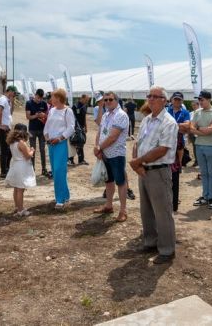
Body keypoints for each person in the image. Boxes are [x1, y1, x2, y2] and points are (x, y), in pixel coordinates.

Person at [129, 86, 178, 264]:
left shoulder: (169, 122)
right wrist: (136, 161)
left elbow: (162, 149)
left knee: (162, 212)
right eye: (149, 96)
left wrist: (138, 161)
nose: (150, 99)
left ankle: (167, 249)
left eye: (155, 96)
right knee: (146, 209)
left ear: (164, 100)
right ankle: (150, 242)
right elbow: (138, 141)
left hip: (158, 171)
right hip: (144, 170)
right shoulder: (147, 119)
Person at [94, 91, 131, 222]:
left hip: (116, 154)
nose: (108, 102)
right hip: (105, 153)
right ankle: (109, 205)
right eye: (106, 100)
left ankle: (123, 210)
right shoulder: (105, 115)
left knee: (120, 182)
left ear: (116, 100)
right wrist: (96, 146)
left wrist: (99, 147)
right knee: (108, 181)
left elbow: (113, 137)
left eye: (110, 99)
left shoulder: (121, 115)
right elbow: (100, 132)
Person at [43, 88, 75, 208]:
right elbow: (47, 125)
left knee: (58, 170)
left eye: (53, 97)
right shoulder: (51, 110)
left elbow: (71, 128)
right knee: (56, 171)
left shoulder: (68, 111)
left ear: (59, 98)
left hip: (61, 144)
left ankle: (60, 199)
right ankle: (65, 195)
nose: (51, 99)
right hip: (51, 143)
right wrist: (46, 136)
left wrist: (60, 138)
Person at [190, 90, 212, 210]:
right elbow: (191, 128)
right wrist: (202, 130)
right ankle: (205, 196)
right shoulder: (197, 112)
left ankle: (211, 197)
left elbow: (211, 130)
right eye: (199, 100)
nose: (200, 102)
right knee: (203, 173)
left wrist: (198, 129)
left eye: (202, 100)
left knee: (211, 173)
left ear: (209, 100)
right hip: (199, 145)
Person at [5, 123, 36, 216]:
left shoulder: (12, 142)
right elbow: (27, 156)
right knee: (20, 189)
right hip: (22, 166)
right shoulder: (21, 143)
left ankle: (17, 207)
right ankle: (21, 210)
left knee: (16, 188)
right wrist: (32, 151)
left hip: (15, 165)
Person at [167, 92, 191, 212]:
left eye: (179, 100)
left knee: (175, 176)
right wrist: (179, 126)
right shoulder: (166, 110)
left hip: (178, 147)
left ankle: (174, 204)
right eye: (175, 99)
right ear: (171, 100)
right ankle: (166, 200)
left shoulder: (185, 112)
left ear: (181, 101)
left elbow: (187, 127)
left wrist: (172, 125)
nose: (177, 101)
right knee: (165, 176)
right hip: (165, 146)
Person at [25, 88, 49, 176]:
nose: (39, 100)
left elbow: (47, 115)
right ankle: (32, 169)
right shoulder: (29, 103)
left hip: (42, 130)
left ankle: (44, 169)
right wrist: (36, 115)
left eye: (41, 98)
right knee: (32, 149)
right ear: (35, 95)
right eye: (38, 97)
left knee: (43, 149)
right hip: (32, 130)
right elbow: (28, 117)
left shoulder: (44, 104)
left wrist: (44, 115)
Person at [0, 85, 17, 178]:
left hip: (7, 128)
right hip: (2, 129)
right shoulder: (3, 99)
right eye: (14, 93)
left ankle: (6, 169)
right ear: (10, 91)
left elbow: (10, 113)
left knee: (9, 151)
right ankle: (3, 171)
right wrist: (0, 124)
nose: (15, 95)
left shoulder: (7, 101)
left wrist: (12, 102)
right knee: (5, 151)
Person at [72, 94, 90, 165]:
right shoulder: (75, 106)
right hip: (75, 127)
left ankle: (81, 159)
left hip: (81, 128)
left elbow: (84, 116)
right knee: (74, 142)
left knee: (81, 142)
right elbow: (72, 117)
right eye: (86, 100)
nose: (87, 101)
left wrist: (86, 126)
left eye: (87, 100)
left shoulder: (85, 106)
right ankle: (71, 159)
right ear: (82, 98)